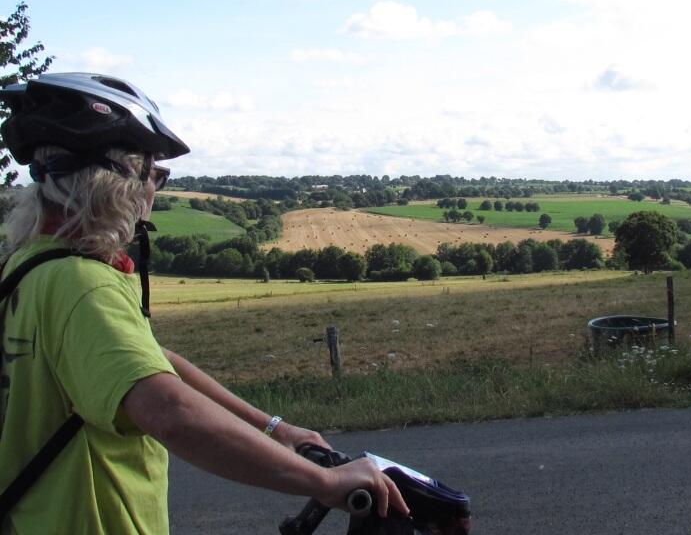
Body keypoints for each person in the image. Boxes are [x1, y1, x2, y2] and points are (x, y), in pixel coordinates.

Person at [0, 73, 408, 534]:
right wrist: (325, 480)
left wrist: (277, 429)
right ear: (118, 178)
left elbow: (152, 360)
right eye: (154, 171)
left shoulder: (27, 270)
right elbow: (172, 413)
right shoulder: (84, 285)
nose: (155, 188)